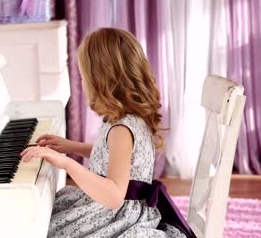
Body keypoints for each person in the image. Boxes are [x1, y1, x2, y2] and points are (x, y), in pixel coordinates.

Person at [21, 28, 195, 238]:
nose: (82, 83)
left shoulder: (121, 129)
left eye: (84, 77)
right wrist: (72, 147)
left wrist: (65, 162)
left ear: (101, 81)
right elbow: (117, 158)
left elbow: (113, 196)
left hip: (116, 217)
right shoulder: (130, 118)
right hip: (122, 209)